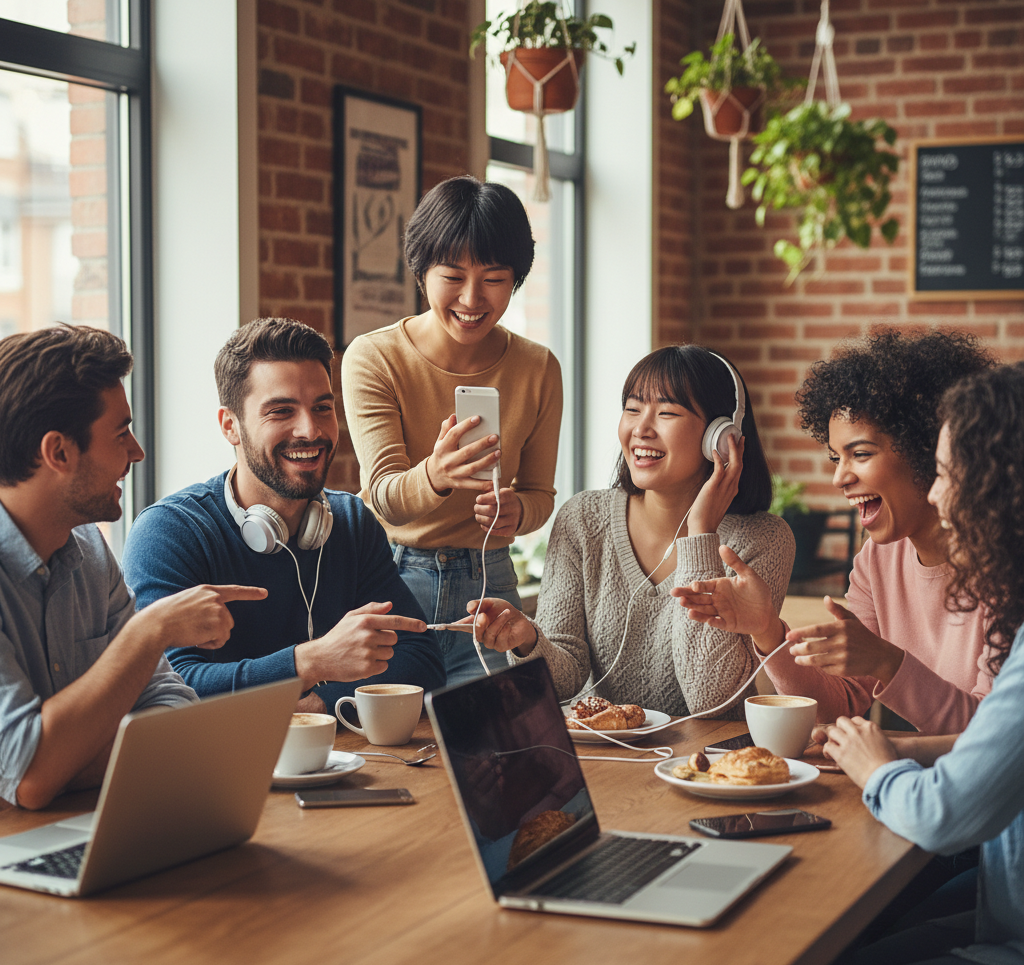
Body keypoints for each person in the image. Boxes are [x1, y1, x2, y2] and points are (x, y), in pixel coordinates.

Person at [823, 363, 1024, 965]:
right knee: (833, 963)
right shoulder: (879, 559)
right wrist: (899, 752)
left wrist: (882, 771)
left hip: (1005, 918)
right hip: (1003, 894)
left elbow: (945, 815)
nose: (939, 496)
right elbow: (1002, 744)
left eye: (949, 474)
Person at [676, 329, 995, 734]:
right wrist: (768, 631)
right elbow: (838, 702)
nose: (839, 478)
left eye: (860, 454)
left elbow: (994, 743)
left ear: (928, 451)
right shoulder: (878, 561)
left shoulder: (1004, 566)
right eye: (835, 457)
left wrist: (886, 665)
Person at [122, 318, 445, 717]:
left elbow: (421, 660)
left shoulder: (350, 522)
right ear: (230, 426)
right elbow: (172, 685)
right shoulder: (169, 533)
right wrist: (309, 662)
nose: (310, 430)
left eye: (322, 408)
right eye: (281, 411)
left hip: (338, 760)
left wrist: (318, 704)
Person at [0, 326, 255, 810]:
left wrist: (62, 763)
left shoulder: (89, 551)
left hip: (85, 822)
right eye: (121, 434)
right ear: (58, 452)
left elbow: (177, 714)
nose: (137, 452)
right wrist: (149, 632)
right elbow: (30, 774)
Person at [466, 345, 794, 716]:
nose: (641, 429)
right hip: (607, 758)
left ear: (721, 436)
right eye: (632, 409)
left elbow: (712, 700)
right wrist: (527, 640)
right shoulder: (582, 519)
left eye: (667, 413)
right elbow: (565, 679)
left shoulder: (763, 540)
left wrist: (701, 533)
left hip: (708, 767)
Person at [341, 175, 562, 683]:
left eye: (494, 277)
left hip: (490, 585)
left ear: (516, 279)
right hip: (392, 576)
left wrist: (516, 512)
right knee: (389, 747)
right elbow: (382, 498)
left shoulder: (537, 367)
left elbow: (540, 496)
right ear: (422, 271)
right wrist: (436, 475)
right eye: (452, 275)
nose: (472, 297)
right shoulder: (374, 357)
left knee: (496, 746)